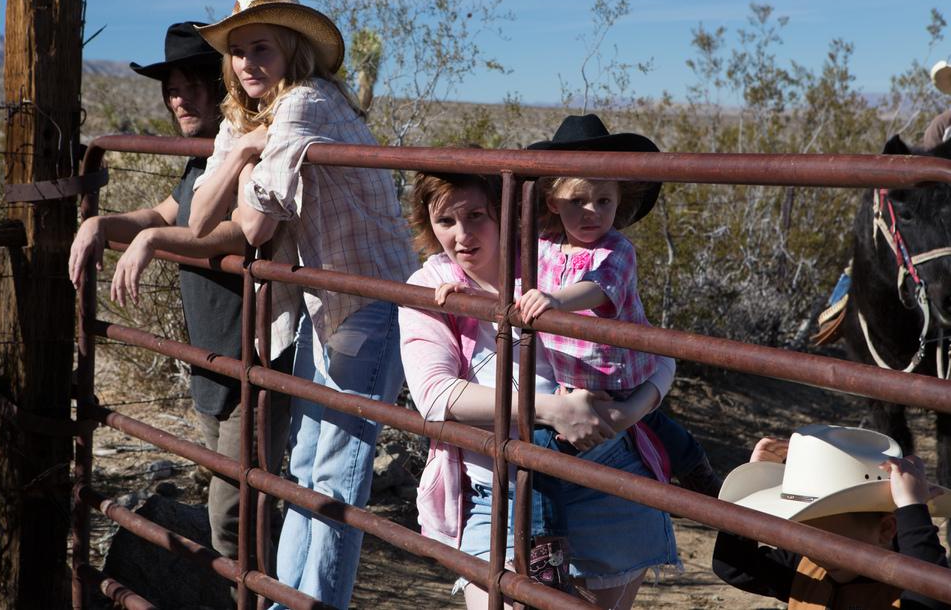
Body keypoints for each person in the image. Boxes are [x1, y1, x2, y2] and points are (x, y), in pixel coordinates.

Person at [187, 0, 417, 608]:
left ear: (290, 50)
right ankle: (289, 600)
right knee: (309, 468)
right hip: (326, 298)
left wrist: (245, 155)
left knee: (335, 473)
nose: (246, 63)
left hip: (368, 296)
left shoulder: (306, 104)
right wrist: (242, 152)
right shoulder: (253, 118)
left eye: (261, 48)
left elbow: (255, 226)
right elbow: (202, 219)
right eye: (236, 51)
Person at [67, 21, 299, 572]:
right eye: (171, 86)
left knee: (233, 513)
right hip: (214, 356)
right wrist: (104, 223)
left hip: (255, 352)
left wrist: (152, 239)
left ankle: (257, 598)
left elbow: (241, 232)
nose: (180, 97)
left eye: (194, 82)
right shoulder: (204, 159)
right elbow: (169, 214)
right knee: (241, 501)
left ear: (223, 85)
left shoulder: (250, 150)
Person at [399, 166, 679, 610]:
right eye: (445, 221)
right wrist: (549, 410)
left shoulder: (553, 263)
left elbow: (659, 355)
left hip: (605, 475)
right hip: (499, 489)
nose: (462, 235)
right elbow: (434, 394)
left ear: (504, 212)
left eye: (477, 216)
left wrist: (629, 414)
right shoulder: (432, 285)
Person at [509, 114, 719, 593]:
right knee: (545, 458)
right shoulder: (540, 247)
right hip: (576, 380)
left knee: (659, 431)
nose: (592, 211)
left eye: (604, 200)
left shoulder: (617, 249)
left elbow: (598, 288)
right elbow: (514, 280)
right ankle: (547, 551)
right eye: (578, 200)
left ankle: (705, 481)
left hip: (620, 374)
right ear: (552, 200)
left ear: (619, 202)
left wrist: (556, 300)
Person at [713, 424, 951, 609]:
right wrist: (756, 481)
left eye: (830, 540)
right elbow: (733, 565)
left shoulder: (901, 584)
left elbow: (931, 599)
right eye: (802, 537)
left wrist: (912, 508)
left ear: (887, 530)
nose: (817, 553)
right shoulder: (807, 566)